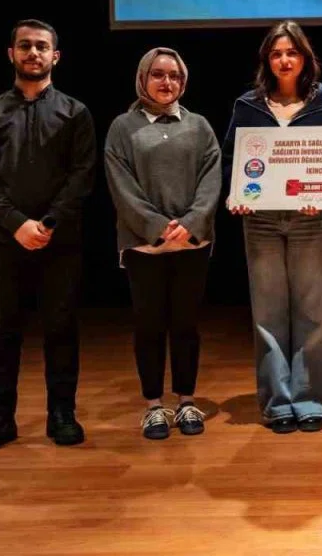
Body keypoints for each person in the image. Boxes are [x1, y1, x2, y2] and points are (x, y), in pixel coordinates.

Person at [0, 19, 96, 453]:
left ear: (56, 56)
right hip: (3, 241)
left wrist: (49, 223)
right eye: (25, 46)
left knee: (61, 329)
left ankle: (62, 414)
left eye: (41, 46)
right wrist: (17, 223)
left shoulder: (75, 112)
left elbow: (82, 175)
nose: (33, 53)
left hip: (60, 241)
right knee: (1, 331)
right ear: (11, 54)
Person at [222, 20, 322, 434]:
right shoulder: (248, 106)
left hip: (312, 221)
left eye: (291, 53)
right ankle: (277, 401)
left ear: (305, 58)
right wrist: (235, 194)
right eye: (276, 54)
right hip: (260, 221)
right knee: (268, 314)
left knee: (312, 314)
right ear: (267, 60)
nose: (284, 60)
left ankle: (310, 399)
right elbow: (231, 160)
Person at [103, 47, 221, 440]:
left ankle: (186, 400)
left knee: (186, 325)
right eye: (157, 74)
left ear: (183, 81)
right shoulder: (123, 127)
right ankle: (154, 405)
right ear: (143, 78)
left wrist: (190, 224)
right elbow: (121, 186)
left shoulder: (199, 126)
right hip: (144, 246)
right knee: (149, 325)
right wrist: (156, 226)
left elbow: (211, 178)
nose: (166, 82)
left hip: (191, 244)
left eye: (174, 75)